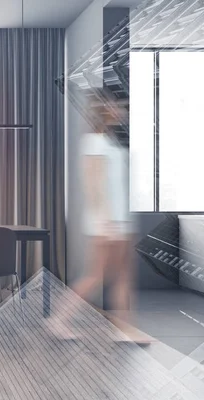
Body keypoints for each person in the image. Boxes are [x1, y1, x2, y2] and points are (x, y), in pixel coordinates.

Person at [49, 89, 149, 344]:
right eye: (117, 105)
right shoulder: (94, 142)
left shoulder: (109, 141)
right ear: (105, 109)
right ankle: (59, 320)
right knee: (97, 275)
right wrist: (107, 221)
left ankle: (123, 328)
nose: (122, 110)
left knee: (123, 276)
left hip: (120, 221)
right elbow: (93, 185)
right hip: (107, 223)